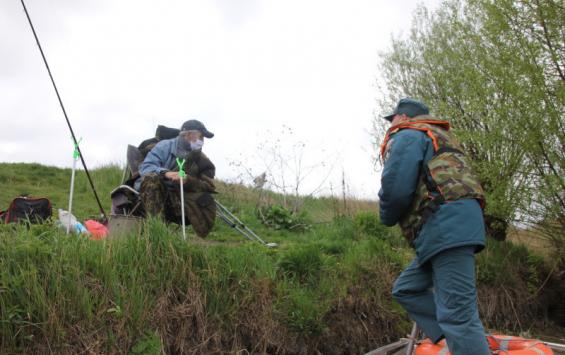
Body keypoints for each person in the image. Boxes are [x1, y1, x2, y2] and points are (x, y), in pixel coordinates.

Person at [378, 98, 490, 355]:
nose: (390, 123)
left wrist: (385, 216)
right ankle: (460, 341)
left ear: (403, 117)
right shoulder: (439, 138)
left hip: (446, 228)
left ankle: (465, 337)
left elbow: (395, 189)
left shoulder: (408, 135)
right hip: (443, 230)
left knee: (458, 317)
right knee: (405, 289)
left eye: (392, 118)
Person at [136, 119, 217, 237]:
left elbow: (208, 185)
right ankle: (157, 234)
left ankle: (160, 237)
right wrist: (166, 173)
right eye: (201, 137)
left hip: (180, 199)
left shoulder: (201, 158)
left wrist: (188, 180)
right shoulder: (164, 146)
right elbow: (145, 167)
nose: (202, 141)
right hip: (152, 192)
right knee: (152, 179)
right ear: (189, 134)